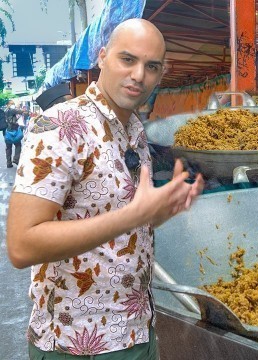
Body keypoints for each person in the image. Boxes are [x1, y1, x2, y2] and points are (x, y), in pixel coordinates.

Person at [6, 18, 204, 359]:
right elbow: (22, 246)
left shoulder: (135, 131)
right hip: (76, 342)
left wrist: (155, 213)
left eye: (151, 66)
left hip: (136, 329)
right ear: (102, 57)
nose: (139, 75)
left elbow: (111, 222)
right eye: (127, 59)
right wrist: (132, 217)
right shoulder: (60, 126)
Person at [4, 100, 26, 168]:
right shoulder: (11, 110)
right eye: (11, 103)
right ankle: (16, 159)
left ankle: (8, 163)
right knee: (18, 145)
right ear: (7, 104)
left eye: (13, 103)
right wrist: (20, 107)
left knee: (8, 148)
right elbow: (21, 111)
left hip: (7, 131)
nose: (12, 105)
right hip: (14, 130)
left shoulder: (5, 111)